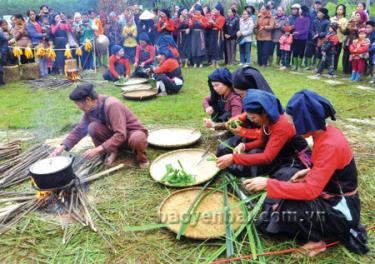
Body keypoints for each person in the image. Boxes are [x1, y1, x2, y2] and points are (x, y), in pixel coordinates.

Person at [246, 89, 369, 257]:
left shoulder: (330, 145)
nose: (291, 127)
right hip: (330, 193)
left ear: (305, 120)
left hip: (341, 209)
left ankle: (317, 242)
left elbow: (311, 191)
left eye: (293, 123)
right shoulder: (325, 134)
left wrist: (268, 184)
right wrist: (308, 171)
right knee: (286, 181)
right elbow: (330, 167)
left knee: (290, 207)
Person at [216, 90, 310, 180]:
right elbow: (262, 140)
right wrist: (244, 146)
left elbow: (267, 158)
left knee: (276, 173)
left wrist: (234, 158)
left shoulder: (281, 126)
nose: (251, 120)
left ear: (264, 113)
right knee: (253, 153)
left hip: (294, 157)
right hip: (279, 150)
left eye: (253, 117)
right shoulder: (267, 120)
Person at [50, 83, 149, 168]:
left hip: (131, 135)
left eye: (78, 104)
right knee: (92, 127)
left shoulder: (112, 105)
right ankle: (113, 151)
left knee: (137, 138)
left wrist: (97, 149)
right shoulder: (91, 109)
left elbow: (120, 134)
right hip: (118, 138)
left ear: (88, 99)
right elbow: (79, 130)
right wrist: (62, 147)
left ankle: (142, 158)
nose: (78, 107)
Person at [291, 5, 311, 71]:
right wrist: (290, 27)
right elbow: (294, 26)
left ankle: (299, 66)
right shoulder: (298, 18)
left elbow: (306, 29)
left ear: (303, 10)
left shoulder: (307, 19)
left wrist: (298, 33)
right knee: (295, 51)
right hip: (295, 37)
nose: (299, 10)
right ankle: (295, 66)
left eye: (300, 9)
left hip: (302, 38)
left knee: (301, 52)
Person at [207, 3, 225, 68]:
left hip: (218, 34)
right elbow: (210, 26)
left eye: (216, 10)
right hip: (212, 33)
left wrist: (213, 22)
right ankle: (213, 62)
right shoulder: (214, 17)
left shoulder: (222, 18)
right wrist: (210, 22)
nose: (215, 11)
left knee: (217, 47)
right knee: (212, 47)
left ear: (219, 11)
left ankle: (217, 63)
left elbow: (220, 27)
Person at [330, 4, 348, 71]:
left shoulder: (345, 20)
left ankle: (334, 67)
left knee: (336, 53)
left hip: (339, 38)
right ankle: (328, 65)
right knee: (329, 52)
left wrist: (340, 26)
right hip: (331, 37)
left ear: (343, 11)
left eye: (341, 9)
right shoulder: (332, 18)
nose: (339, 10)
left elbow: (344, 31)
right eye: (338, 9)